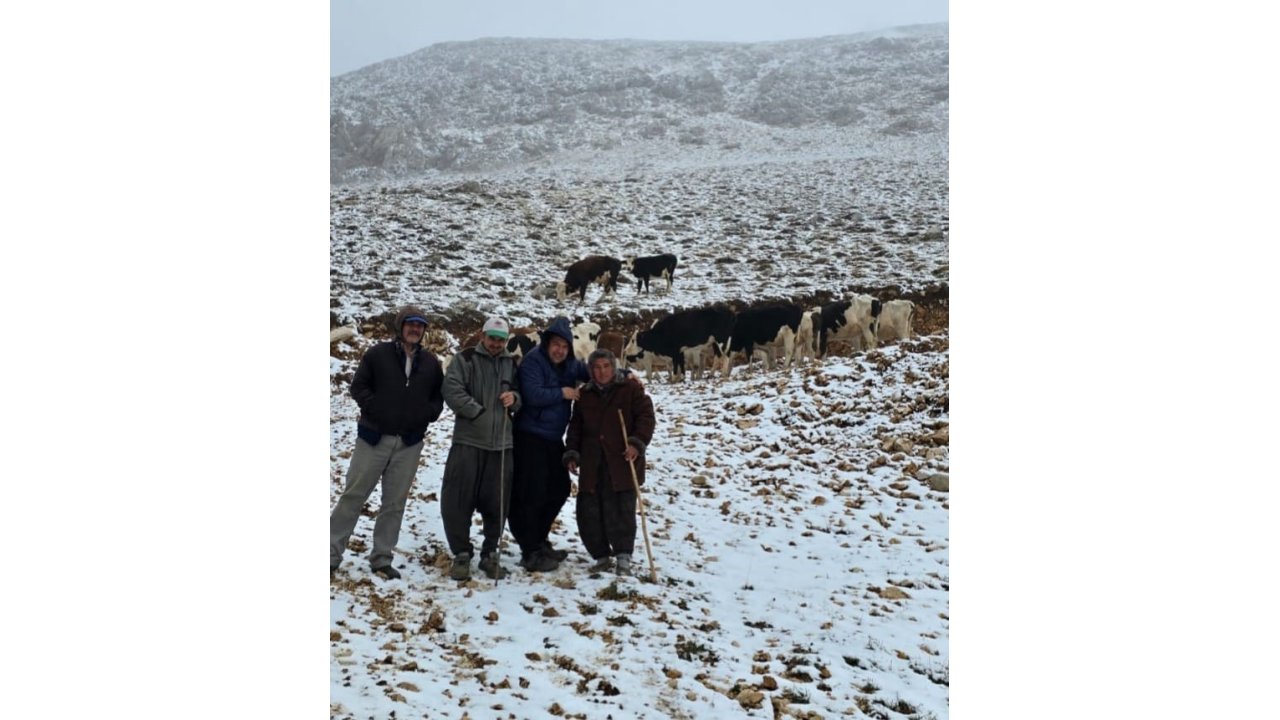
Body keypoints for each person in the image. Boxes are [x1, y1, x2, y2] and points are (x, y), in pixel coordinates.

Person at [330, 306, 445, 579]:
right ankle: (330, 554)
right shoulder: (377, 354)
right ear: (400, 326)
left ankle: (382, 558)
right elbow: (358, 386)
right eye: (410, 324)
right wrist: (374, 409)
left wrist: (426, 416)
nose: (415, 329)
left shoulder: (430, 363)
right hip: (373, 438)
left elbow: (437, 399)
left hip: (409, 443)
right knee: (353, 496)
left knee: (394, 503)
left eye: (420, 325)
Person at [441, 316, 522, 580]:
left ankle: (490, 553)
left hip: (502, 444)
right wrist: (476, 412)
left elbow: (523, 394)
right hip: (468, 441)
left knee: (497, 502)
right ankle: (462, 553)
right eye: (492, 338)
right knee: (457, 500)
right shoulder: (464, 359)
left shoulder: (513, 363)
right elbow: (451, 389)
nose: (496, 344)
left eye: (501, 340)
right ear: (482, 336)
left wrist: (516, 399)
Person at [564, 348, 656, 576]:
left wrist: (636, 443)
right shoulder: (584, 395)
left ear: (613, 367)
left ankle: (623, 555)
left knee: (621, 509)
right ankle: (601, 555)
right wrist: (573, 452)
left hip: (622, 459)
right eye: (596, 367)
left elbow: (646, 417)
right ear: (590, 371)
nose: (601, 372)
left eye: (606, 367)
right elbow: (575, 428)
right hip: (593, 460)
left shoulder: (630, 389)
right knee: (589, 510)